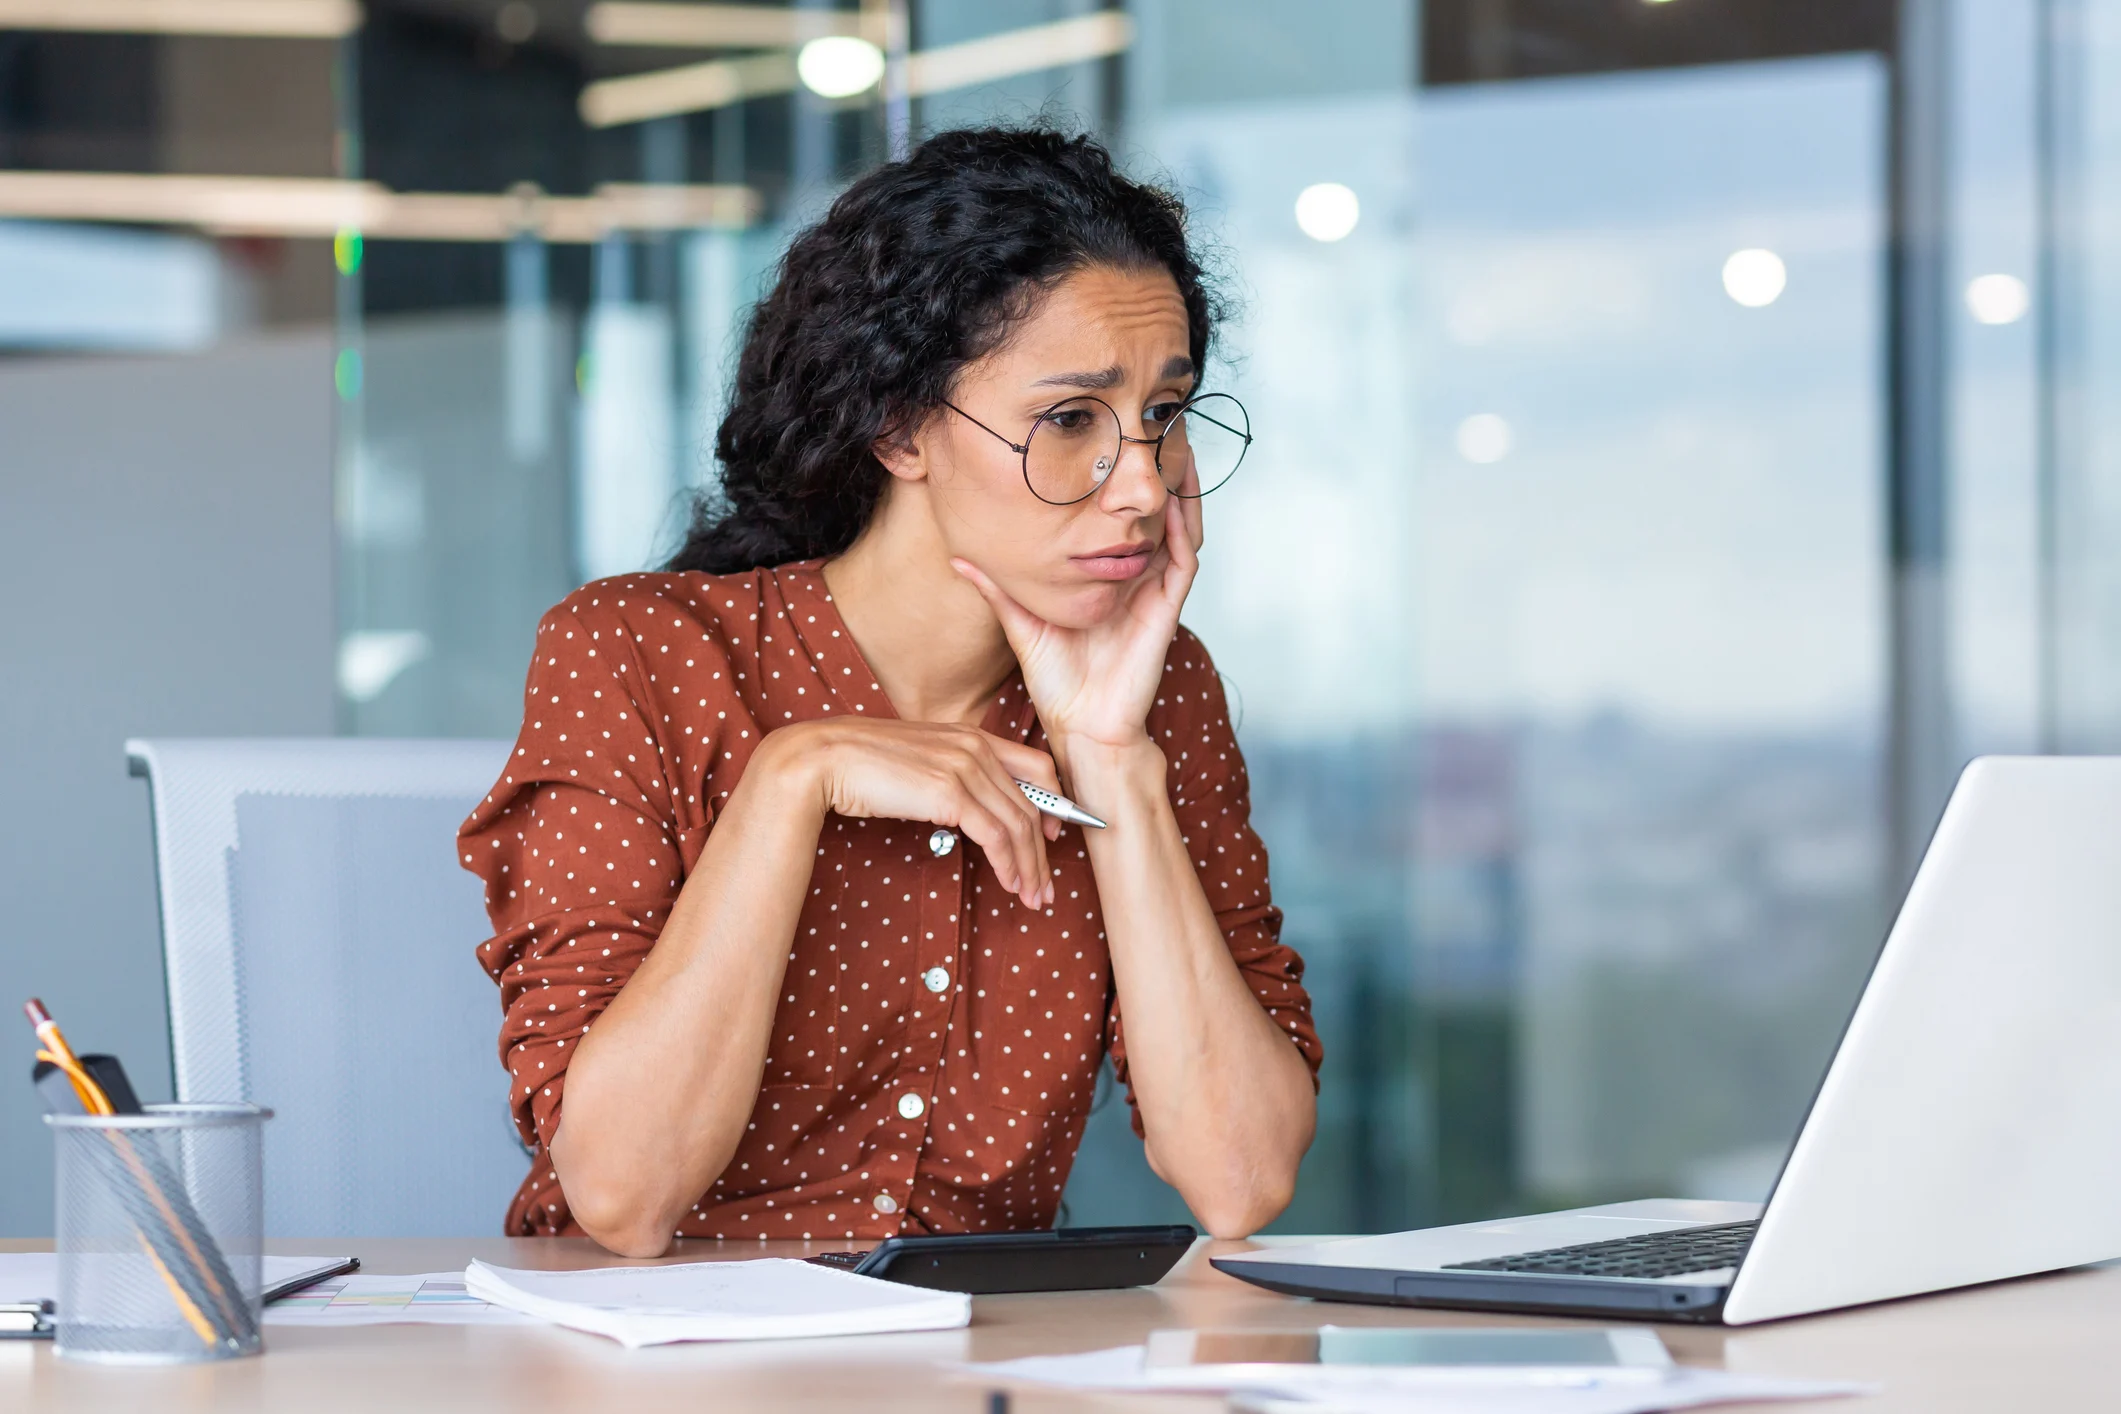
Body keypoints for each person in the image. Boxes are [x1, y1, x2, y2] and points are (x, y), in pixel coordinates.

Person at [458, 126, 1322, 1258]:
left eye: (1162, 417)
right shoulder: (638, 655)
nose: (1142, 489)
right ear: (898, 426)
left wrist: (1113, 761)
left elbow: (1241, 1179)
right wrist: (793, 778)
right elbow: (623, 1196)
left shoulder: (1158, 690)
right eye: (1071, 422)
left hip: (978, 1358)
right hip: (654, 1355)